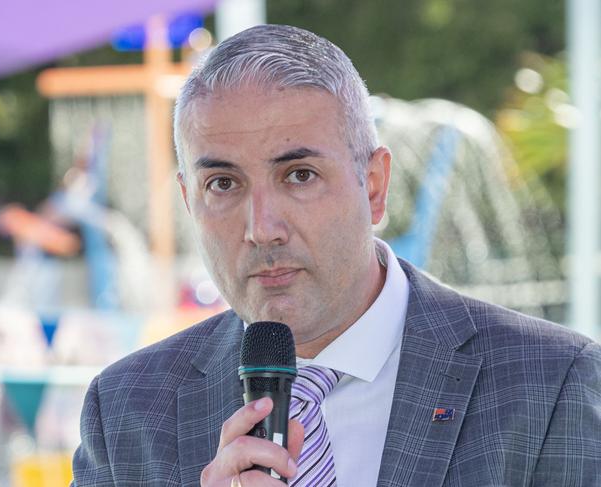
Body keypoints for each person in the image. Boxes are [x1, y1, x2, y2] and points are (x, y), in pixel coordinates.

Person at [71, 24, 601, 486]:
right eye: (224, 183)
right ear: (189, 201)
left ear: (374, 186)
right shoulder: (126, 411)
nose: (262, 228)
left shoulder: (550, 384)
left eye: (299, 176)